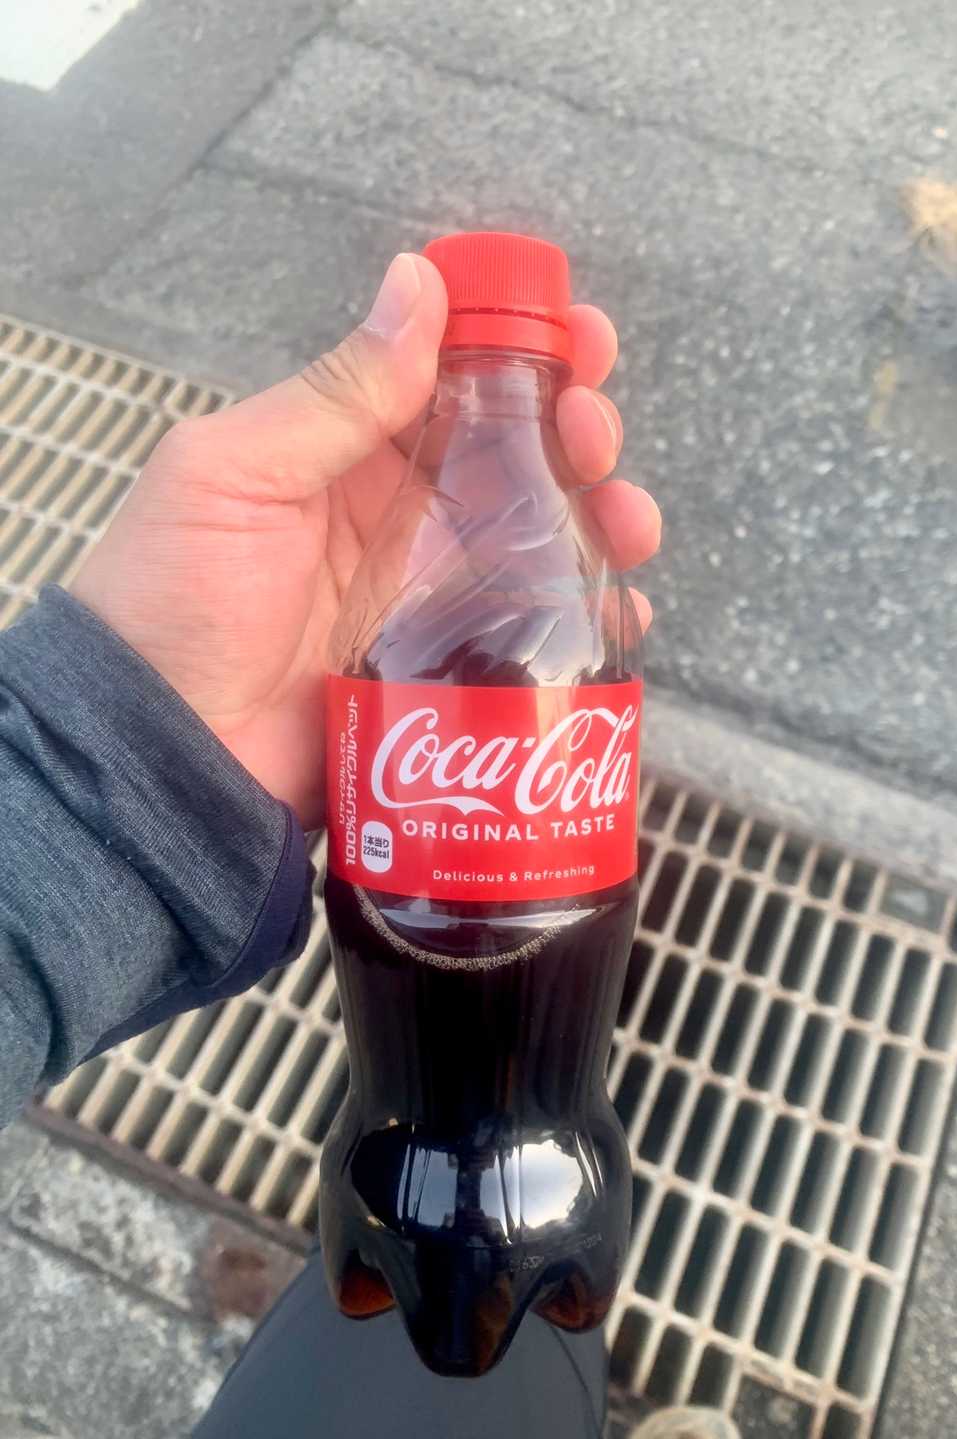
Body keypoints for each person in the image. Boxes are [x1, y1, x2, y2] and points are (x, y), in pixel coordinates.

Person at [0, 253, 661, 1437]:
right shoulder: (394, 576)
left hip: (474, 1144)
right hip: (434, 1138)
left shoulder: (515, 587)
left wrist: (94, 785)